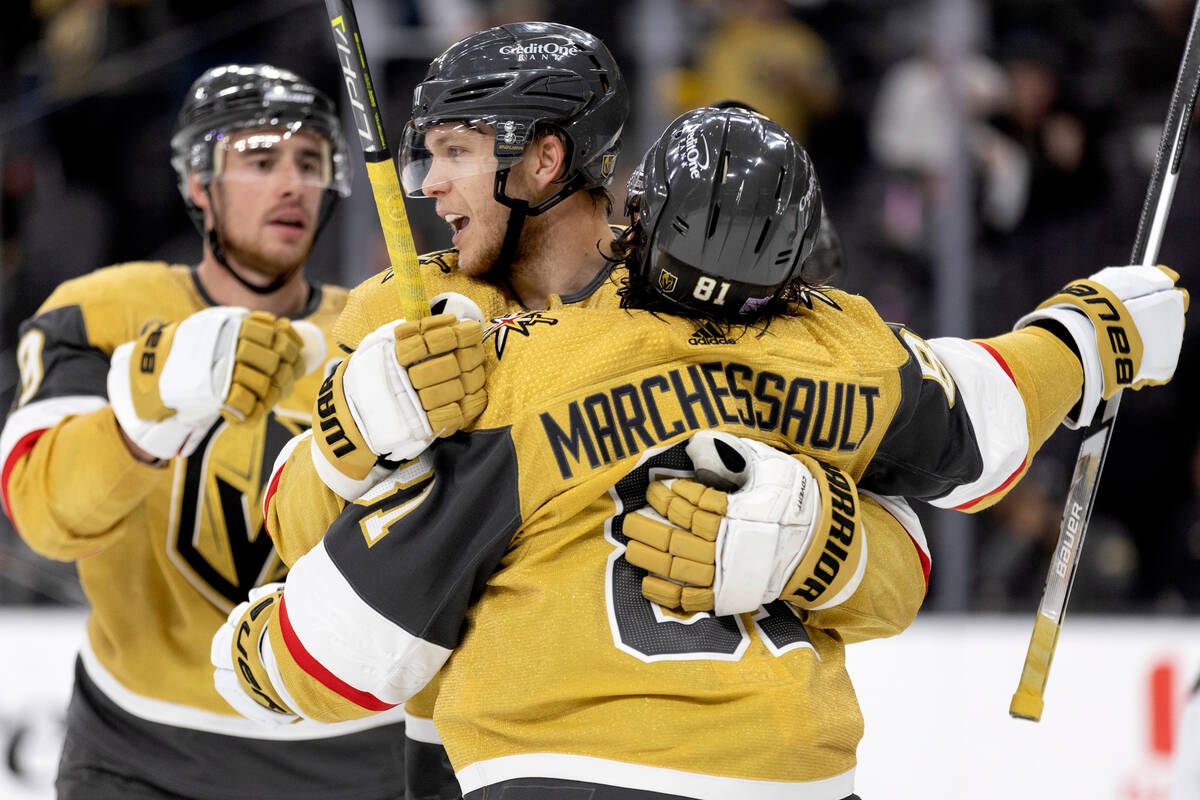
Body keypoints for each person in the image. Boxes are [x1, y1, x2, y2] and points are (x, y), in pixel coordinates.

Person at [213, 107, 1186, 798]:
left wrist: (257, 651)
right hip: (793, 766)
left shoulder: (526, 370)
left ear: (634, 229)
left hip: (562, 768)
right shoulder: (842, 349)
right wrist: (1098, 329)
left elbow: (337, 643)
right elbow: (989, 410)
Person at [0, 63, 426, 800]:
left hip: (363, 758)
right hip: (143, 753)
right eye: (260, 161)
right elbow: (43, 516)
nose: (291, 183)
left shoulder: (380, 328)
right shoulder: (103, 309)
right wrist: (143, 415)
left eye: (310, 163)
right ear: (198, 184)